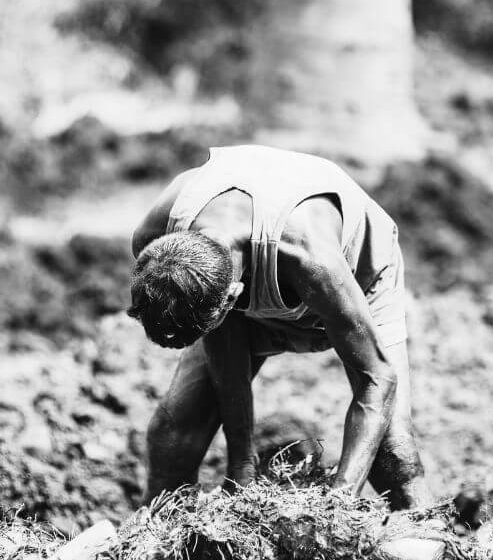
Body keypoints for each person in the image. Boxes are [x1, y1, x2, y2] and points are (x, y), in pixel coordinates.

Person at [127, 144, 433, 510]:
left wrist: (339, 504)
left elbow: (378, 378)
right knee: (174, 435)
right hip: (245, 286)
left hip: (356, 282)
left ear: (232, 297)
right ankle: (154, 535)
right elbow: (224, 341)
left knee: (393, 453)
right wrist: (241, 465)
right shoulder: (157, 241)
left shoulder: (310, 259)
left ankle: (425, 531)